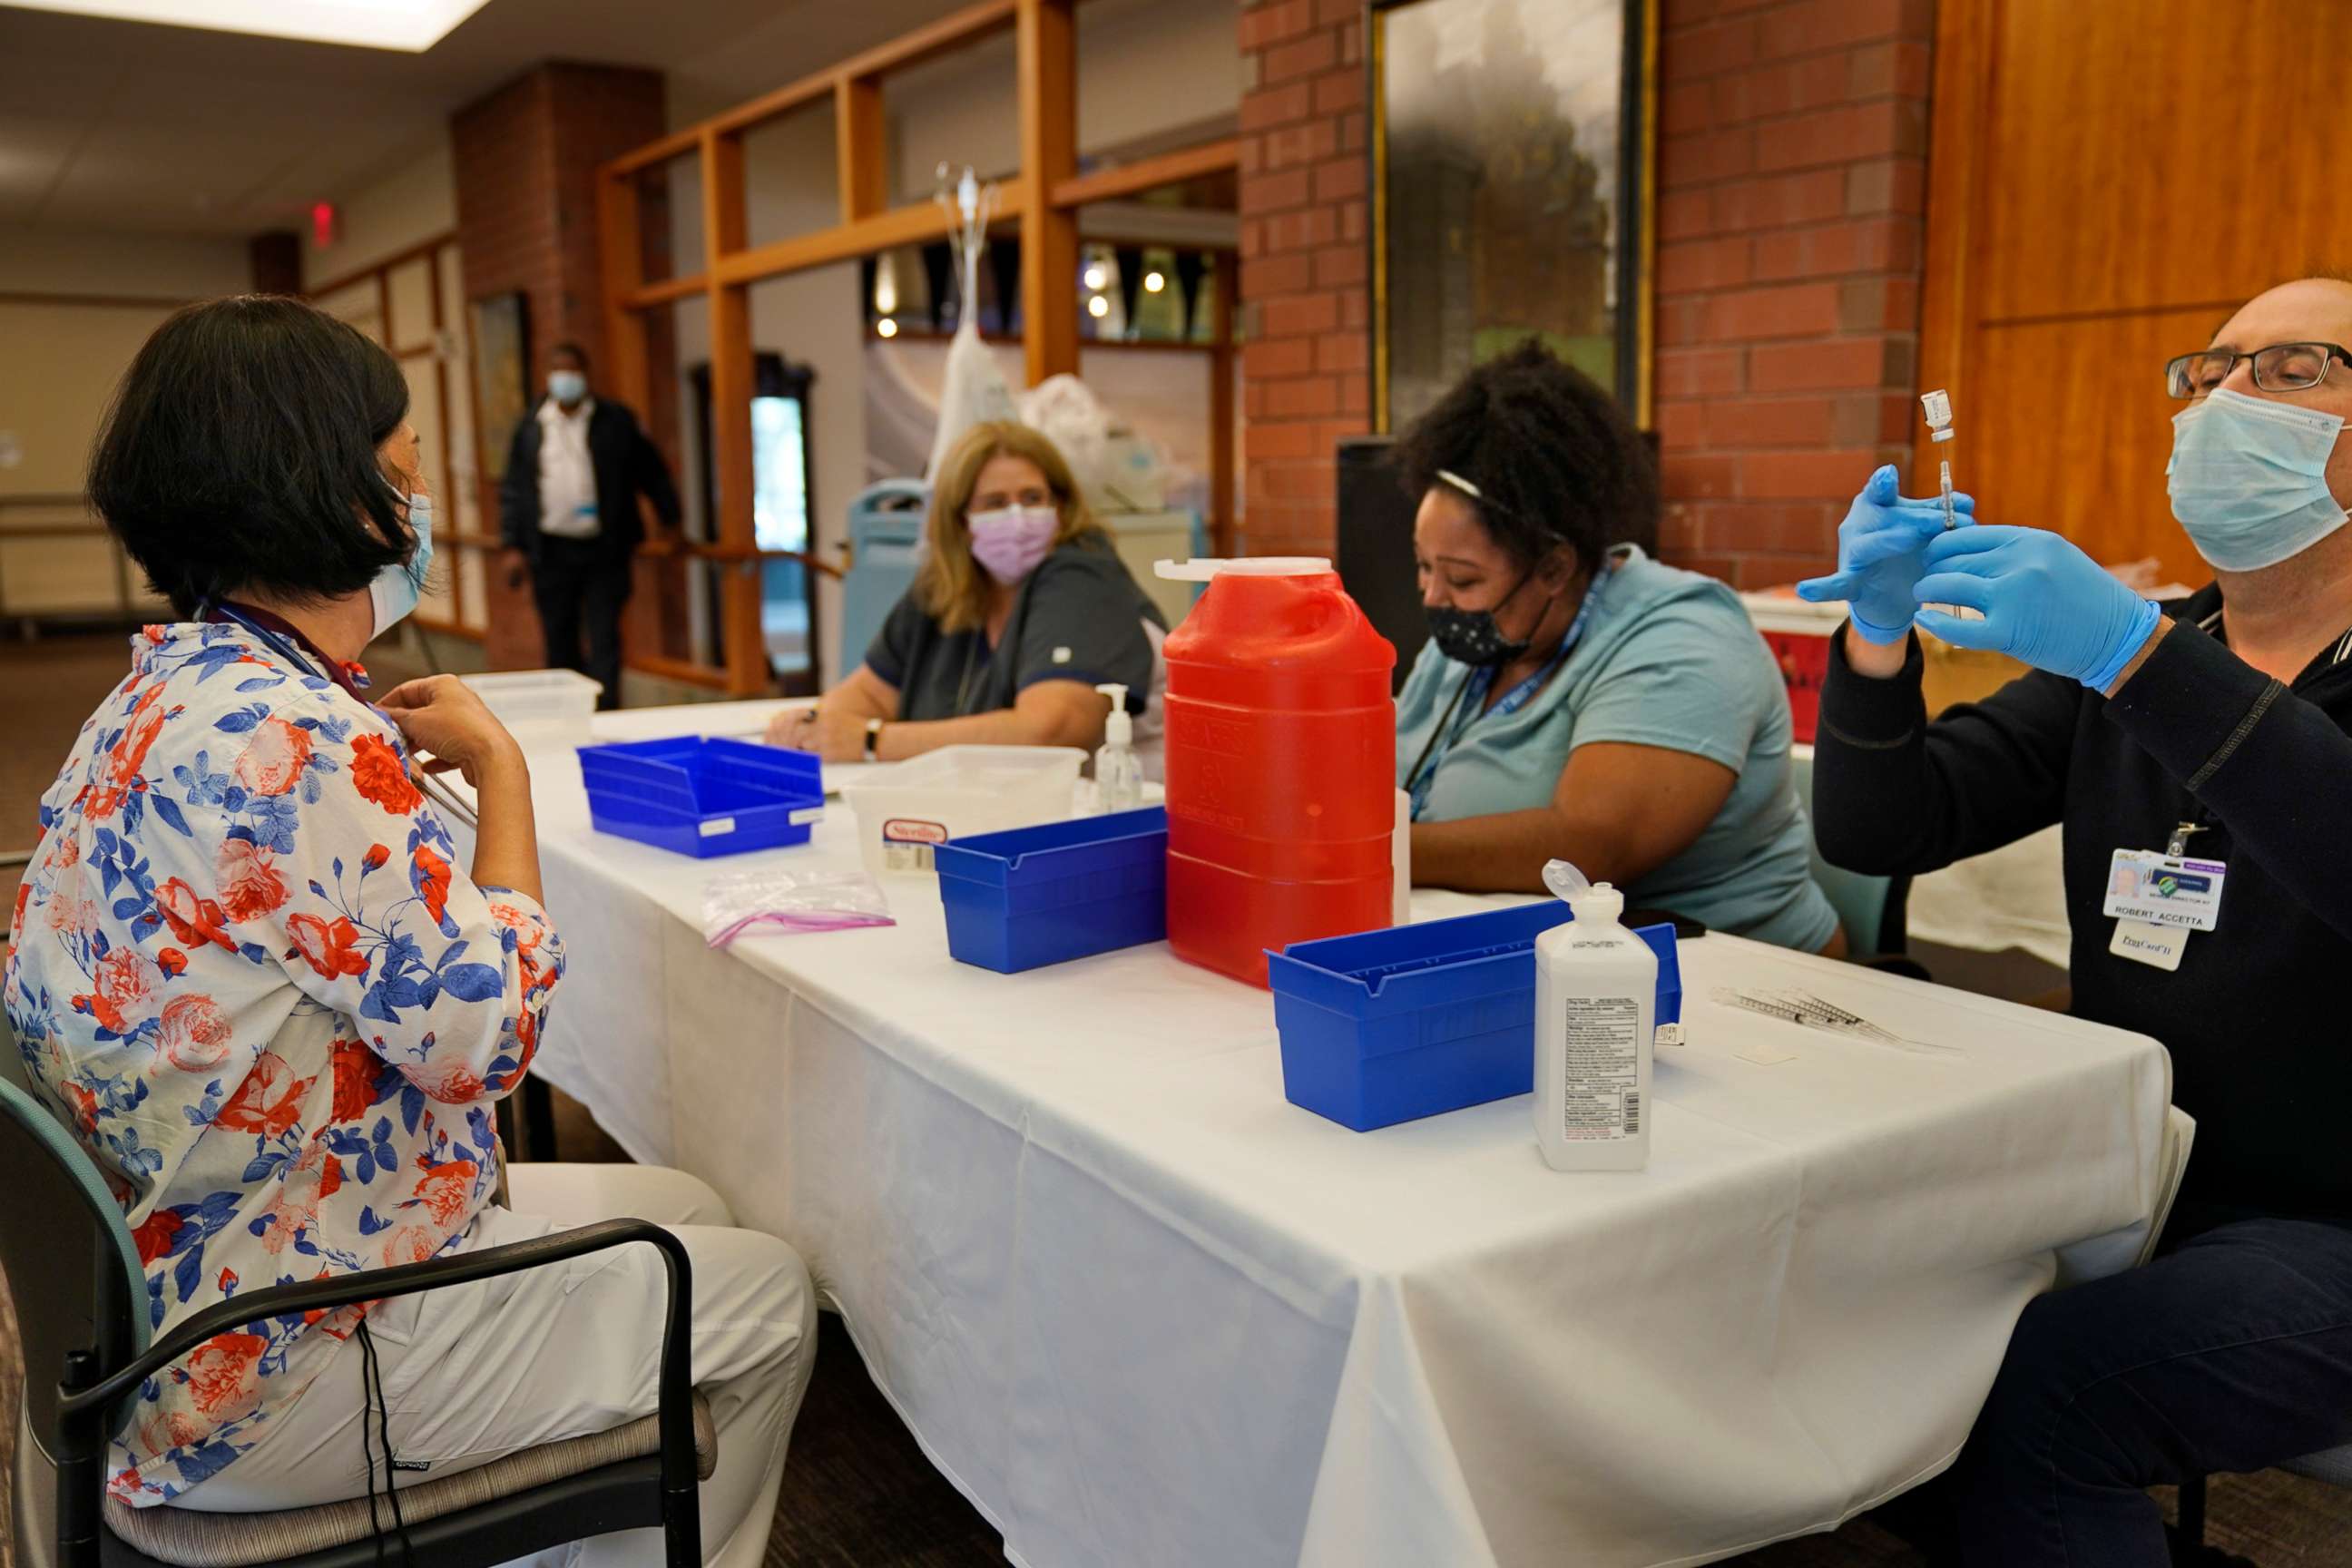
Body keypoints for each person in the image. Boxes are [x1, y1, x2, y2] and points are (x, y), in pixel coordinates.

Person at [5, 296, 811, 1568]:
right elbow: (490, 1041)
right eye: (407, 457)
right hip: (266, 1358)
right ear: (332, 487)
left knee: (690, 1200)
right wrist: (502, 770)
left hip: (177, 1285)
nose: (424, 487)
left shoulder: (161, 690)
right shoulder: (299, 741)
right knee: (768, 1293)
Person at [1798, 277, 2352, 1565]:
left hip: (2328, 1228)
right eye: (2209, 371)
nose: (2222, 400)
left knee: (2035, 1402)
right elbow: (1884, 830)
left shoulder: (2146, 663)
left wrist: (2140, 660)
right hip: (2127, 1178)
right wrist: (1878, 639)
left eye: (2292, 370)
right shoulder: (2147, 662)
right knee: (1860, 1347)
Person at [1392, 341, 1843, 954]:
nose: (1434, 595)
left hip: (1732, 983)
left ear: (1554, 567)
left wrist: (1367, 850)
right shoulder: (1480, 633)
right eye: (1423, 567)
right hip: (1523, 957)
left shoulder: (1684, 638)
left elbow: (1589, 847)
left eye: (1463, 578)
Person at [766, 419, 1161, 761]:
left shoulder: (1082, 575)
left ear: (1060, 505)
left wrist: (871, 741)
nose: (1017, 517)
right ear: (959, 520)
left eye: (1032, 498)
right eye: (994, 502)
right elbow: (870, 694)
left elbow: (1050, 731)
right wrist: (816, 729)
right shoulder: (945, 586)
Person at [499, 340, 681, 710]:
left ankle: (606, 715)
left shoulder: (616, 421)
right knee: (558, 638)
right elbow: (515, 488)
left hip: (604, 548)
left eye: (572, 371)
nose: (565, 379)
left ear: (585, 376)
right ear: (549, 377)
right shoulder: (531, 427)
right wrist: (513, 545)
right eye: (559, 371)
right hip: (550, 549)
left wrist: (671, 520)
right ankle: (567, 715)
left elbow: (652, 472)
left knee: (605, 639)